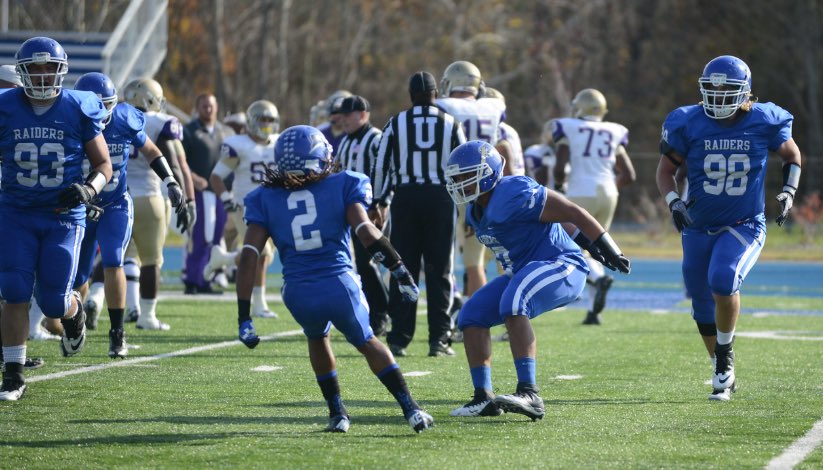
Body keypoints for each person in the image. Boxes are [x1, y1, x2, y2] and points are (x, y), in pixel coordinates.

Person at [236, 125, 433, 433]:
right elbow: (367, 232)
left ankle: (337, 414)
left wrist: (244, 316)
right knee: (367, 341)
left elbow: (249, 254)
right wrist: (399, 270)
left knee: (317, 337)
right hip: (339, 284)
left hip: (297, 292)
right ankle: (411, 409)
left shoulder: (263, 197)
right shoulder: (344, 183)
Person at [445, 140, 630, 420]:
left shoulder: (514, 191)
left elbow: (571, 212)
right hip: (524, 271)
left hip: (561, 265)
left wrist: (604, 246)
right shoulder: (474, 210)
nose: (460, 183)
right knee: (471, 315)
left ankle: (530, 393)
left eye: (467, 176)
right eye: (457, 178)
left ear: (489, 173)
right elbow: (550, 221)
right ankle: (483, 397)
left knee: (514, 300)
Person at [656, 55, 802, 402]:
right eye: (712, 89)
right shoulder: (687, 121)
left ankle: (724, 358)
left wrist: (789, 191)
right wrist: (674, 202)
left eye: (728, 90)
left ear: (745, 93)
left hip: (743, 223)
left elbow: (792, 156)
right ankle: (721, 366)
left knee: (722, 279)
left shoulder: (764, 119)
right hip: (696, 224)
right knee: (700, 304)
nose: (719, 97)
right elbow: (665, 171)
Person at [0, 37, 112, 401]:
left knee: (52, 302)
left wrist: (89, 190)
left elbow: (103, 166)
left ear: (62, 71)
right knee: (14, 291)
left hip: (61, 215)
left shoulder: (78, 107)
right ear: (23, 72)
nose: (44, 75)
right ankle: (13, 375)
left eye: (50, 68)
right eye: (36, 68)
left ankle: (74, 310)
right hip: (16, 212)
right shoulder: (5, 107)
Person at [71, 73, 186, 356]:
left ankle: (117, 333)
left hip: (115, 203)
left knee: (114, 261)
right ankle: (75, 321)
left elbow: (151, 150)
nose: (99, 112)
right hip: (81, 206)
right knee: (78, 274)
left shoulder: (124, 118)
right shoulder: (68, 123)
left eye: (105, 105)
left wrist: (170, 180)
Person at [372, 71, 466, 357]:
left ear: (411, 96)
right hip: (440, 198)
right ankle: (438, 339)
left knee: (404, 266)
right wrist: (469, 205)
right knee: (440, 270)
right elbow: (463, 161)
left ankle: (399, 338)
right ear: (435, 94)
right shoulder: (450, 122)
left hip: (406, 198)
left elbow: (380, 165)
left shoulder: (396, 122)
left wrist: (377, 200)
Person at [105, 77, 194, 331]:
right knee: (152, 260)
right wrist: (182, 195)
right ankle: (147, 316)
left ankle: (97, 297)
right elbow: (169, 160)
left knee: (115, 257)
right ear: (151, 98)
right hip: (149, 196)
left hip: (115, 195)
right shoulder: (160, 122)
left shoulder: (113, 117)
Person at [552, 88, 636, 325]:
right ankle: (594, 312)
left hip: (580, 191)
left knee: (575, 246)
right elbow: (628, 174)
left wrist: (559, 187)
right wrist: (611, 186)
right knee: (598, 244)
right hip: (608, 192)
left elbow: (560, 165)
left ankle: (596, 281)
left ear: (580, 107)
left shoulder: (569, 126)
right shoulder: (614, 130)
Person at [435, 60, 506, 298]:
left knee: (471, 262)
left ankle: (474, 318)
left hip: (460, 188)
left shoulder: (444, 106)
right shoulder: (493, 106)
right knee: (494, 257)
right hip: (490, 188)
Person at [204, 99, 280, 318]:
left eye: (270, 120)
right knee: (261, 253)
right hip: (246, 206)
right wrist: (227, 198)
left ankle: (224, 259)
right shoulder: (238, 144)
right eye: (262, 119)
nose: (266, 124)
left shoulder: (279, 143)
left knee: (266, 256)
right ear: (251, 121)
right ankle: (258, 304)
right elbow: (216, 177)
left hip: (273, 206)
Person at [335, 95, 391, 336]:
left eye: (349, 114)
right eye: (343, 115)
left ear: (363, 114)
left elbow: (388, 170)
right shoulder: (346, 141)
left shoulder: (376, 138)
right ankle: (376, 312)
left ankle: (382, 313)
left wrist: (382, 202)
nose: (344, 119)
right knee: (358, 263)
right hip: (350, 209)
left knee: (369, 261)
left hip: (371, 208)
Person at [182, 93, 233, 294]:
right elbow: (180, 160)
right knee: (201, 236)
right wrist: (193, 178)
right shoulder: (190, 131)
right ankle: (193, 279)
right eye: (204, 106)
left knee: (215, 237)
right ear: (197, 107)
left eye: (211, 106)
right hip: (200, 191)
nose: (208, 109)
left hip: (220, 191)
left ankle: (205, 278)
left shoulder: (224, 132)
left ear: (217, 107)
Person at [316, 89, 352, 157]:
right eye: (335, 112)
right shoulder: (319, 132)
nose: (339, 116)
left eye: (343, 112)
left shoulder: (352, 134)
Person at [523, 120, 557, 188]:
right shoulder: (543, 151)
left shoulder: (531, 150)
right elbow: (542, 181)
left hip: (533, 189)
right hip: (544, 191)